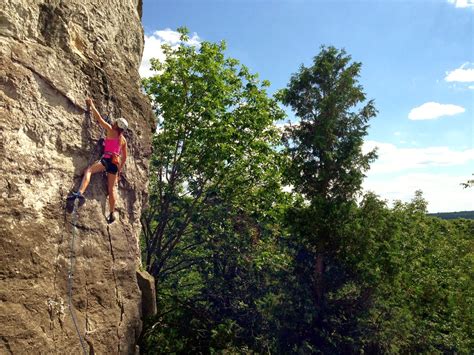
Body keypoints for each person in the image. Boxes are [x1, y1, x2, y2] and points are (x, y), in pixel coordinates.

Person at [68, 98, 128, 224]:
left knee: (89, 170)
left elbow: (99, 119)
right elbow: (125, 157)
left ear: (117, 125)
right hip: (115, 164)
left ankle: (79, 193)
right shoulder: (123, 140)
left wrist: (91, 104)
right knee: (111, 189)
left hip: (107, 159)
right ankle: (111, 213)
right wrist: (118, 172)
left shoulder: (111, 130)